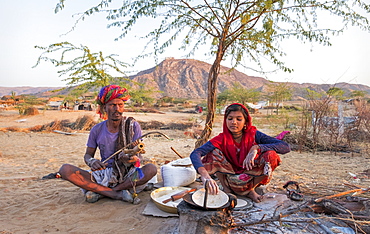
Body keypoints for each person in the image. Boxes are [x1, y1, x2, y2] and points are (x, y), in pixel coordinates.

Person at [58, 85, 157, 204]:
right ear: (104, 108)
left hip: (128, 173)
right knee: (65, 170)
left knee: (151, 169)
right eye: (112, 105)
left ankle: (107, 191)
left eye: (120, 105)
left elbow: (137, 158)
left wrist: (131, 159)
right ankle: (117, 194)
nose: (117, 109)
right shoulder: (97, 129)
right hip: (104, 173)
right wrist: (92, 162)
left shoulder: (132, 125)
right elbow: (88, 155)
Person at [190, 103, 290, 203]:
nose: (234, 122)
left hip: (250, 176)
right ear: (225, 121)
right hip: (230, 177)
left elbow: (285, 147)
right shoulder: (221, 138)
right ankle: (226, 189)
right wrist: (205, 176)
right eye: (230, 119)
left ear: (245, 121)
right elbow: (196, 153)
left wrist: (256, 148)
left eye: (239, 119)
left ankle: (251, 190)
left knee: (271, 155)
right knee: (213, 152)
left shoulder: (254, 134)